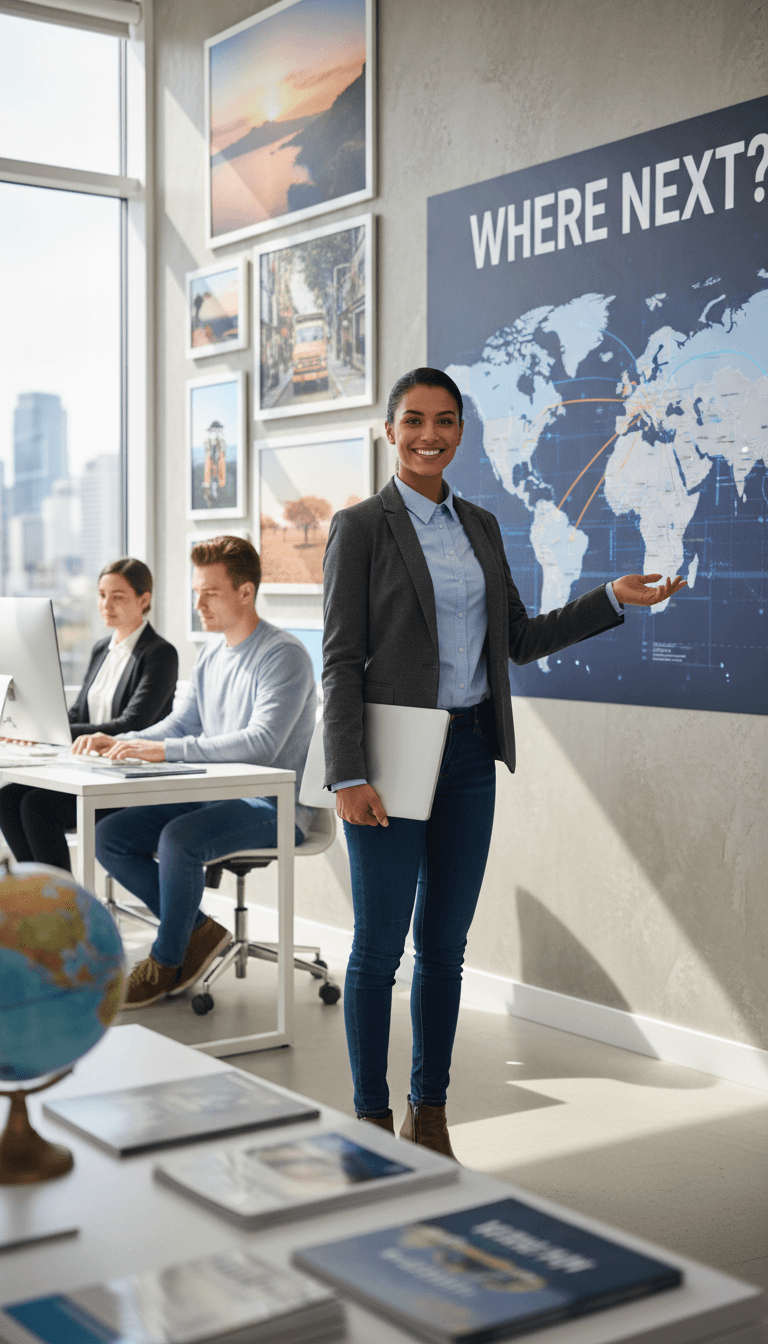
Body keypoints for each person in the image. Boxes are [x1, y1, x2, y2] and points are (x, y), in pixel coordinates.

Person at [322, 367, 687, 1159]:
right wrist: (346, 774)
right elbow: (341, 660)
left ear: (461, 431)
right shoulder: (360, 528)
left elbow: (515, 639)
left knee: (445, 947)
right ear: (390, 431)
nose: (430, 435)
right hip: (387, 758)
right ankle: (369, 1121)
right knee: (378, 948)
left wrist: (610, 600)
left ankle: (432, 1113)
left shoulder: (482, 525)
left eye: (445, 421)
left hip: (470, 752)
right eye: (414, 420)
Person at [87, 535, 316, 1008]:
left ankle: (167, 961)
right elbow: (183, 722)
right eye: (196, 592)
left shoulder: (284, 655)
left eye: (210, 593)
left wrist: (166, 752)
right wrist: (130, 742)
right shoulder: (212, 652)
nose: (198, 604)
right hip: (219, 793)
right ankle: (198, 932)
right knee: (110, 835)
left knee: (179, 839)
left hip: (274, 803)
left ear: (245, 593)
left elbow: (262, 742)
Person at [0, 557, 177, 873]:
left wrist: (55, 731)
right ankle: (41, 898)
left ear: (144, 599)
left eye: (117, 596)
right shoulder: (100, 649)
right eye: (101, 595)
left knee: (35, 807)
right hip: (88, 769)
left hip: (126, 777)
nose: (106, 604)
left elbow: (131, 724)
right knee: (7, 800)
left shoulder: (160, 654)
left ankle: (66, 909)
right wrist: (39, 726)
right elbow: (80, 711)